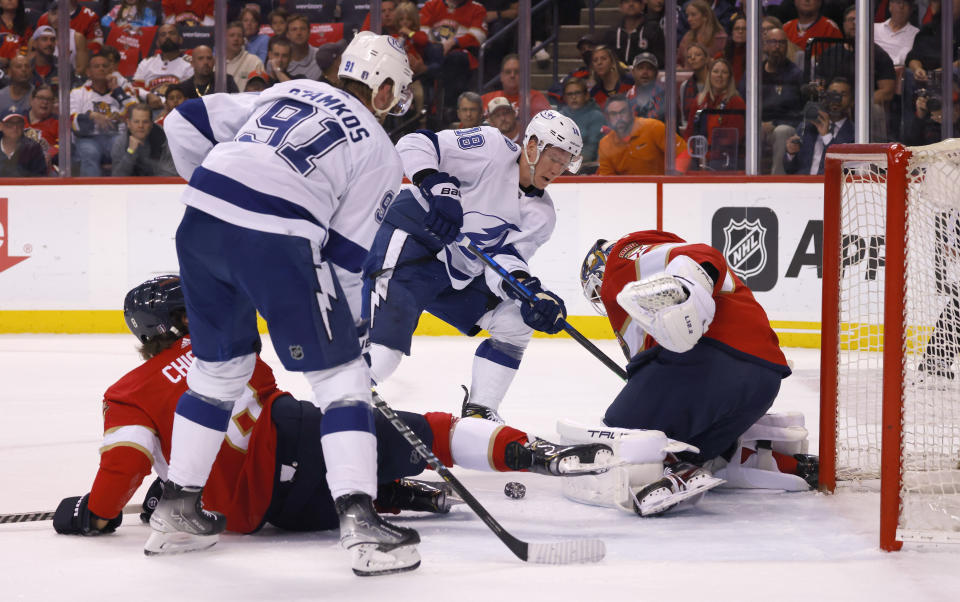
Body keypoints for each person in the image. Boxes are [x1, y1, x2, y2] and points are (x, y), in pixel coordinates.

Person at [51, 275, 610, 539]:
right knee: (427, 432)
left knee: (325, 492)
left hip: (271, 514)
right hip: (302, 436)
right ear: (175, 324)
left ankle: (388, 492)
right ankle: (537, 455)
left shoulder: (127, 392)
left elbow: (117, 476)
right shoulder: (231, 344)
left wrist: (89, 514)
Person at [155, 32, 419, 575]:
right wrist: (355, 338)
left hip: (200, 222)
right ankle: (362, 523)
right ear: (385, 87)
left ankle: (177, 507)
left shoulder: (288, 88)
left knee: (219, 369)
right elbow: (347, 258)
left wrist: (222, 186)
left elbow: (183, 121)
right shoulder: (377, 146)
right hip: (274, 236)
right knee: (342, 381)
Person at [362, 111, 583, 424]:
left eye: (566, 162)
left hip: (454, 272)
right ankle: (339, 408)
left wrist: (528, 292)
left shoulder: (542, 214)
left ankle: (480, 413)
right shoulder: (491, 147)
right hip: (410, 241)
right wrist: (437, 185)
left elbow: (503, 260)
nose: (558, 169)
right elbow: (414, 143)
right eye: (555, 157)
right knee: (383, 357)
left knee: (516, 321)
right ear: (532, 145)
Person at [577, 231, 796, 504]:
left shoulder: (621, 257)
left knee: (617, 436)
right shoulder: (656, 273)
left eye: (597, 291)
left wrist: (686, 285)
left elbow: (701, 255)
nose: (603, 300)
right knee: (684, 451)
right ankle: (724, 462)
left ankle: (728, 458)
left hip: (708, 363)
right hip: (764, 380)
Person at [70, 52, 136, 176]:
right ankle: (91, 193)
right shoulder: (78, 93)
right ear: (88, 72)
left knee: (121, 150)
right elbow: (71, 120)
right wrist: (91, 116)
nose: (101, 69)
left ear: (111, 70)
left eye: (105, 66)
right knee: (90, 152)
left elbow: (137, 112)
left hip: (115, 136)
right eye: (97, 66)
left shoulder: (121, 91)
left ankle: (121, 190)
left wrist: (117, 91)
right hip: (88, 138)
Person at [418, 0, 487, 116]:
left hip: (460, 54)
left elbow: (479, 36)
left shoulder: (477, 8)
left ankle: (451, 110)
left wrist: (454, 42)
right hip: (433, 52)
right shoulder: (431, 5)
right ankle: (425, 111)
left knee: (455, 60)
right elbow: (422, 32)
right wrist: (437, 48)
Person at [598, 95, 686, 176]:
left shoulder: (653, 127)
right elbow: (607, 181)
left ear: (631, 112)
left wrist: (672, 182)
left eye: (623, 112)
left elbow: (683, 152)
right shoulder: (605, 144)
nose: (619, 117)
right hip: (628, 191)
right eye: (613, 114)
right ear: (607, 118)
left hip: (661, 189)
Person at [784, 77, 854, 175]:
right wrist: (791, 154)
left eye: (843, 94)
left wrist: (826, 136)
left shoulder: (855, 133)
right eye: (832, 94)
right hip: (802, 186)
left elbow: (847, 170)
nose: (836, 99)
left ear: (852, 101)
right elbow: (789, 170)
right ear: (824, 97)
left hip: (833, 188)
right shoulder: (807, 126)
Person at [684, 58, 745, 170]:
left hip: (725, 157)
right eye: (715, 71)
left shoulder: (736, 102)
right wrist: (695, 153)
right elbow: (689, 133)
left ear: (730, 77)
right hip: (700, 154)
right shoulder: (699, 101)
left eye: (724, 72)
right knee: (683, 164)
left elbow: (732, 139)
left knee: (713, 165)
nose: (719, 75)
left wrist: (706, 155)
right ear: (709, 75)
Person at [761, 27, 804, 175]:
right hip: (760, 125)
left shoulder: (796, 75)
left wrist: (775, 123)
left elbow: (800, 111)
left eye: (781, 42)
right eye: (772, 42)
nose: (777, 46)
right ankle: (749, 175)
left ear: (787, 46)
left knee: (781, 131)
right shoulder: (756, 73)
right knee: (752, 130)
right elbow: (744, 102)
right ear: (765, 45)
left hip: (787, 125)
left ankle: (778, 179)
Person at [132, 23, 194, 110]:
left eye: (172, 33)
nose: (167, 36)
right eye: (163, 34)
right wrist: (148, 95)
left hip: (178, 109)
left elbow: (189, 92)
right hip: (150, 109)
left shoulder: (191, 64)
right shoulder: (146, 63)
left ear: (180, 39)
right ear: (157, 43)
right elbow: (135, 88)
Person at [110, 103, 176, 176]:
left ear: (151, 124)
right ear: (128, 123)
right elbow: (117, 177)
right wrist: (130, 152)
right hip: (131, 186)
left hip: (158, 185)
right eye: (136, 122)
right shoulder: (120, 142)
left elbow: (171, 174)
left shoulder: (164, 139)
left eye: (145, 122)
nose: (140, 126)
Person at [480, 54, 551, 119]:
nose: (512, 75)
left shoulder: (536, 99)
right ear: (501, 76)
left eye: (517, 72)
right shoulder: (485, 99)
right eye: (508, 72)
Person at [600, 0, 665, 69]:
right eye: (627, 1)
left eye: (635, 1)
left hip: (645, 77)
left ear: (642, 6)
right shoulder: (611, 32)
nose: (631, 4)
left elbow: (659, 60)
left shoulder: (653, 29)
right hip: (618, 77)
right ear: (620, 7)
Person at [558, 76, 604, 171]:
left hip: (589, 168)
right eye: (569, 94)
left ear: (586, 95)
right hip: (561, 167)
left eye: (577, 93)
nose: (573, 97)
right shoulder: (560, 117)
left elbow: (591, 150)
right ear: (565, 98)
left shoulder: (596, 116)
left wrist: (568, 162)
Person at [37, 0, 103, 55]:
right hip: (49, 62)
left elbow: (96, 45)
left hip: (80, 62)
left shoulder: (90, 17)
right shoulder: (44, 18)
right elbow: (36, 46)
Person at [677, 0, 726, 68]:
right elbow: (678, 62)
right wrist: (678, 68)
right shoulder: (687, 37)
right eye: (688, 15)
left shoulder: (720, 38)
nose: (689, 19)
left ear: (705, 16)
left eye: (693, 15)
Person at [874, 0, 920, 66]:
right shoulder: (874, 28)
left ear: (911, 9)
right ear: (890, 6)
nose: (901, 6)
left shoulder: (916, 33)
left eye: (906, 3)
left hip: (897, 73)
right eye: (898, 2)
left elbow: (907, 59)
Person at [587, 45, 633, 109]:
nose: (599, 63)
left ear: (612, 62)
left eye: (603, 58)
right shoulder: (594, 93)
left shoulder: (630, 82)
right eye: (595, 60)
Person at [626, 51, 666, 121]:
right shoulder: (626, 98)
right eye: (641, 68)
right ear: (633, 72)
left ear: (656, 73)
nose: (645, 72)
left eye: (650, 68)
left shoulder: (665, 98)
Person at [677, 43, 708, 132]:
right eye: (689, 57)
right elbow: (684, 119)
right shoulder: (684, 86)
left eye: (697, 55)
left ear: (706, 58)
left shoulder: (716, 83)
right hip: (692, 132)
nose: (693, 58)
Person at [225, 20, 263, 92]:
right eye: (232, 35)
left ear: (243, 40)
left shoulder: (254, 62)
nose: (236, 39)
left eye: (239, 36)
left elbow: (260, 91)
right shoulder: (216, 62)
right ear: (224, 39)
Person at [24, 84, 58, 166]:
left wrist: (50, 155)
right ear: (31, 100)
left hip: (46, 168)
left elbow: (65, 147)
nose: (45, 102)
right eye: (41, 98)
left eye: (49, 99)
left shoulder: (58, 123)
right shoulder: (18, 119)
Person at [285, 13, 321, 81]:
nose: (299, 33)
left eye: (303, 29)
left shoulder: (320, 56)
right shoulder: (281, 58)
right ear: (287, 34)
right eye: (294, 29)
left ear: (309, 32)